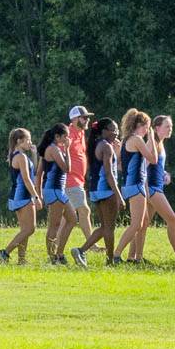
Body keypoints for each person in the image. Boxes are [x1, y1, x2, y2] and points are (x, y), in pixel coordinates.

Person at [124, 115, 175, 264]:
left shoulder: (160, 144)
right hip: (151, 189)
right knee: (173, 220)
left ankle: (133, 257)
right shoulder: (152, 143)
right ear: (157, 128)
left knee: (143, 223)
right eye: (167, 126)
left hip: (155, 187)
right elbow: (143, 167)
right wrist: (146, 191)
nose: (170, 129)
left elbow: (155, 166)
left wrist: (165, 173)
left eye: (171, 126)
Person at [71, 119, 124, 267]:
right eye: (113, 129)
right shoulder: (106, 147)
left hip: (95, 191)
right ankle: (110, 261)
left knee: (103, 226)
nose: (116, 132)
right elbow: (109, 173)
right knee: (110, 228)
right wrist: (118, 195)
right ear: (104, 131)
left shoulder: (97, 144)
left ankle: (81, 250)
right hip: (106, 190)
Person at [112, 109, 156, 264]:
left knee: (143, 222)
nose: (147, 130)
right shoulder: (137, 139)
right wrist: (152, 138)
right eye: (147, 127)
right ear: (140, 125)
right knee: (136, 224)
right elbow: (153, 159)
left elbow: (119, 164)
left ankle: (136, 257)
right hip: (136, 185)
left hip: (132, 184)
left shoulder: (127, 140)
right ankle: (116, 254)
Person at [0, 128, 43, 263]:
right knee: (30, 229)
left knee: (25, 230)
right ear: (19, 141)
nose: (30, 142)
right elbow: (27, 180)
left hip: (18, 196)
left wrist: (34, 155)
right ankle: (4, 252)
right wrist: (36, 197)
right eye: (28, 139)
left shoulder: (18, 155)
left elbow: (32, 173)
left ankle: (22, 259)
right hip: (22, 196)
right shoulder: (20, 157)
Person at [38, 123, 77, 264]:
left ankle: (59, 253)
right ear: (57, 136)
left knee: (72, 219)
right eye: (65, 136)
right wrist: (67, 149)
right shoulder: (54, 149)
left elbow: (39, 173)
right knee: (54, 225)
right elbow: (67, 168)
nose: (67, 138)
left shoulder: (54, 148)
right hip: (53, 190)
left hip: (57, 191)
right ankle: (53, 257)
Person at [65, 106, 98, 249]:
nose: (87, 120)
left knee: (64, 220)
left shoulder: (80, 133)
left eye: (87, 117)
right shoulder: (68, 134)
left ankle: (54, 252)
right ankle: (91, 245)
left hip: (78, 180)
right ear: (74, 119)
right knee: (84, 210)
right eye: (84, 117)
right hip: (70, 181)